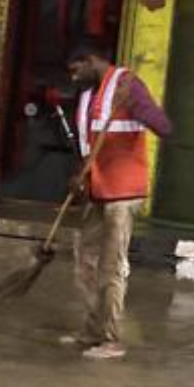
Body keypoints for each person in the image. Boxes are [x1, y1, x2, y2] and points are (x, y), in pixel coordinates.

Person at [64, 42, 172, 359]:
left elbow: (164, 127)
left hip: (123, 192)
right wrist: (79, 176)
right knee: (84, 263)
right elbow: (89, 145)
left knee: (111, 266)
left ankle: (111, 340)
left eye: (76, 70)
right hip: (98, 188)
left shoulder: (128, 85)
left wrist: (137, 105)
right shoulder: (87, 98)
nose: (73, 78)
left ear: (91, 60)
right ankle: (92, 330)